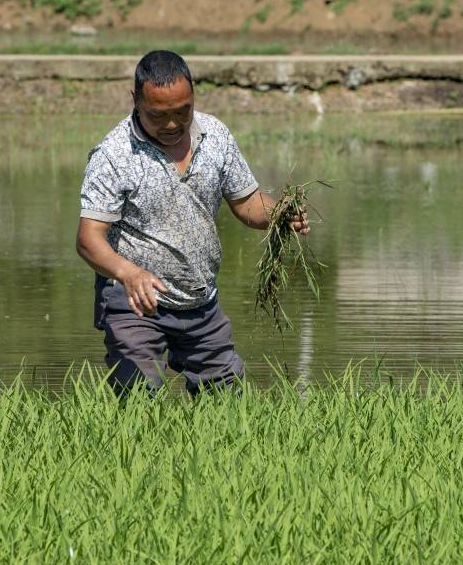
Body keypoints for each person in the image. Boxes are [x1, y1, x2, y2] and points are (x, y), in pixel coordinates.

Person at [76, 49, 309, 395]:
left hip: (200, 299)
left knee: (228, 405)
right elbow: (88, 239)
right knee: (136, 399)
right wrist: (129, 273)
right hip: (134, 300)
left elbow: (247, 204)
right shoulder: (113, 154)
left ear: (193, 96)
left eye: (182, 111)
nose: (171, 124)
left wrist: (279, 214)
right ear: (135, 100)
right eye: (158, 115)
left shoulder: (215, 135)